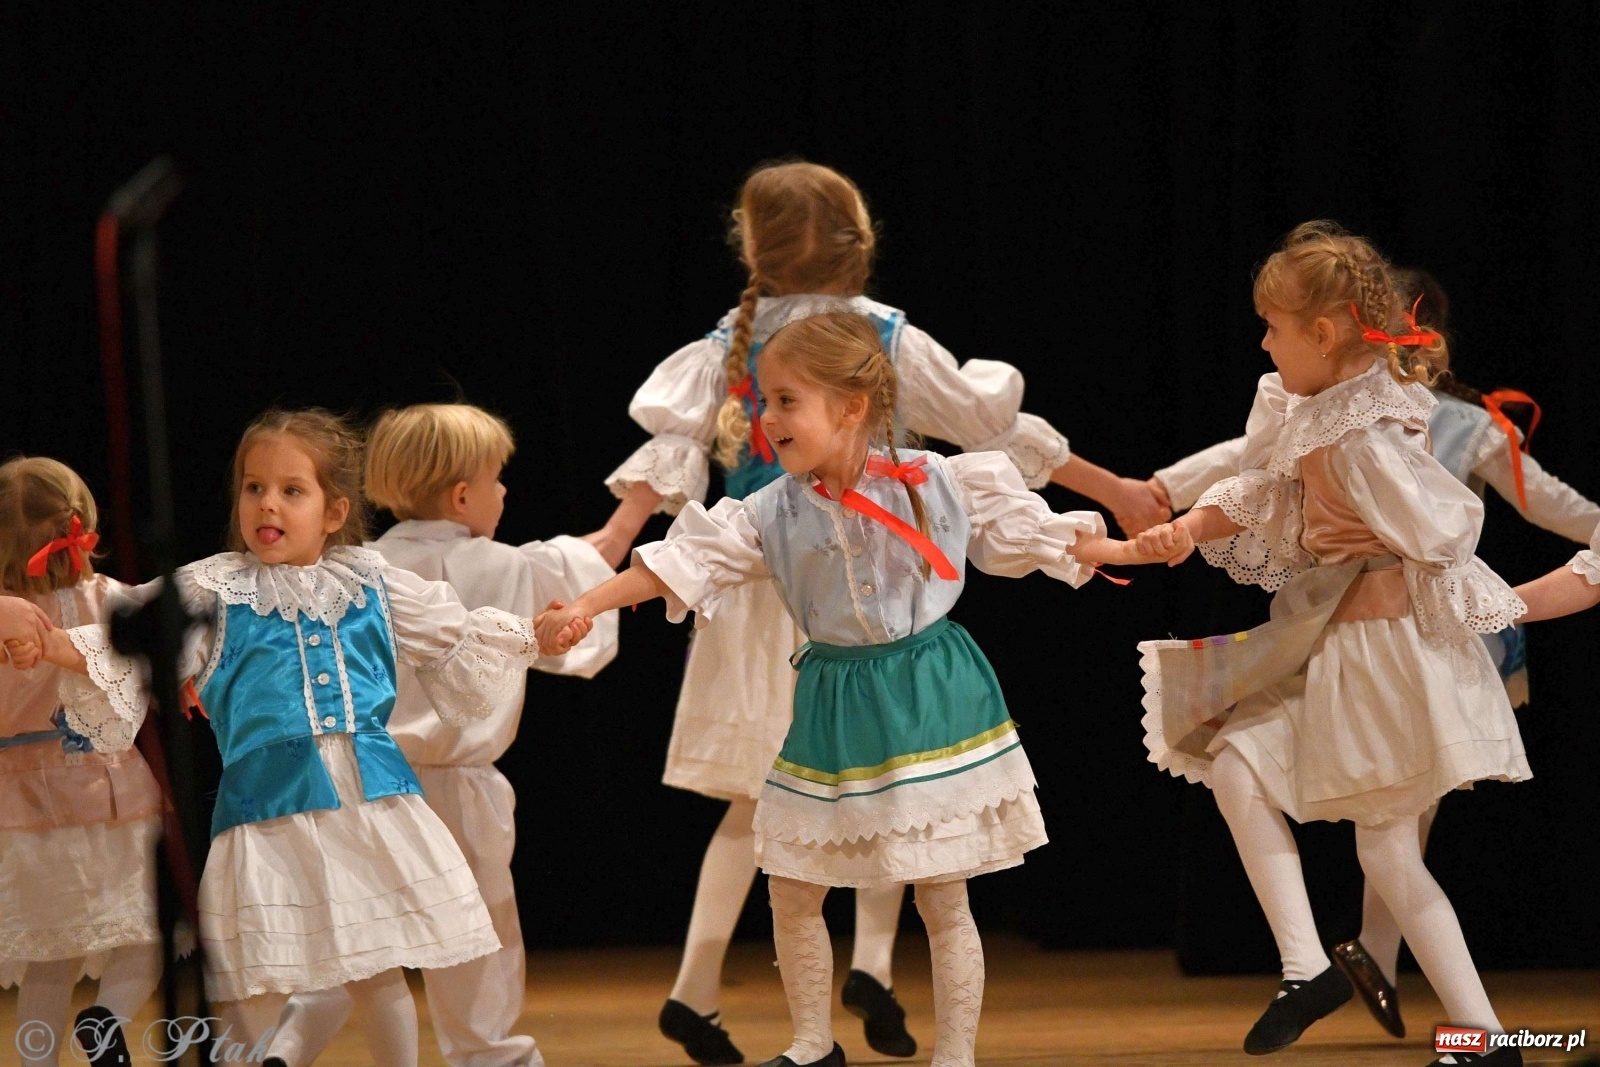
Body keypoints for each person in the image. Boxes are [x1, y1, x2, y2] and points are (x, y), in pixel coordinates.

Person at [584, 160, 1168, 1063]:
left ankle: (727, 986)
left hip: (771, 602)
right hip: (783, 578)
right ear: (858, 244)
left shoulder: (732, 343)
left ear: (754, 245)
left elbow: (667, 455)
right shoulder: (883, 336)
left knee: (810, 799)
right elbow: (994, 428)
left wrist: (614, 539)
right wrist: (1115, 489)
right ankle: (863, 969)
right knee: (864, 792)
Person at [1136, 222, 1528, 1066]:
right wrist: (1186, 527)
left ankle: (1486, 1038)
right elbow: (1265, 486)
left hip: (1380, 649)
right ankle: (1307, 965)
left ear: (1321, 334)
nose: (1263, 340)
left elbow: (1441, 524)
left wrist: (1389, 547)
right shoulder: (1319, 414)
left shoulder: (1359, 428)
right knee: (1237, 764)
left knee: (1385, 846)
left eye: (1274, 326)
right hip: (1334, 643)